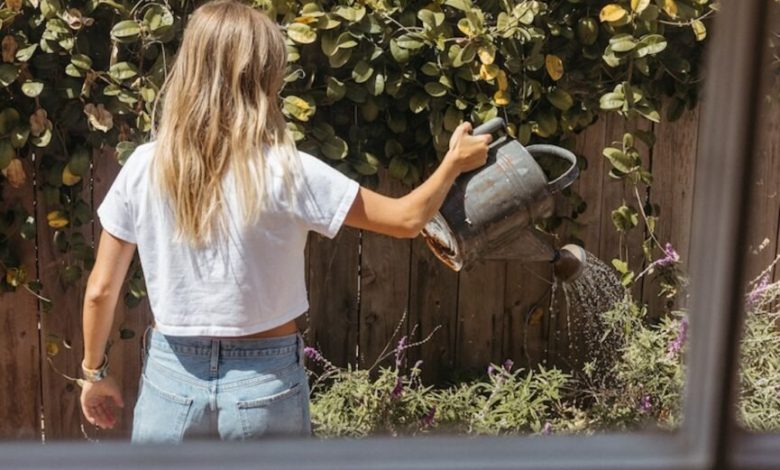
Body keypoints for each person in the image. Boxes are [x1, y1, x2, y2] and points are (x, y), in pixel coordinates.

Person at [79, 0, 490, 443]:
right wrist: (453, 163)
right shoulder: (287, 170)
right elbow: (408, 218)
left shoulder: (143, 167)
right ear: (265, 77)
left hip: (171, 380)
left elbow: (101, 290)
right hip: (265, 378)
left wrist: (93, 372)